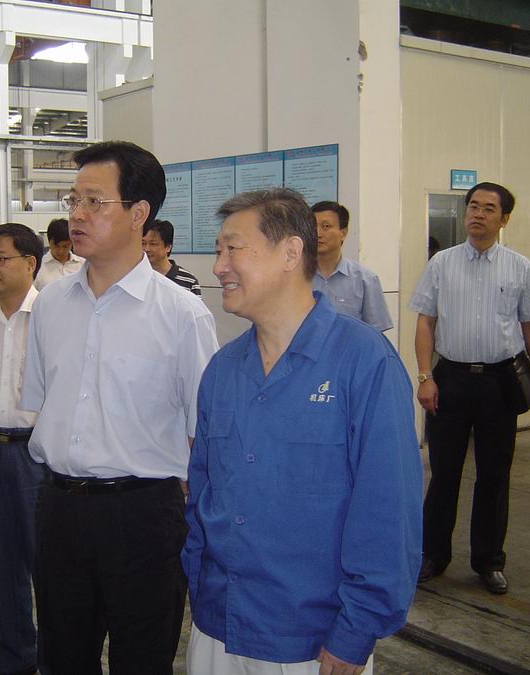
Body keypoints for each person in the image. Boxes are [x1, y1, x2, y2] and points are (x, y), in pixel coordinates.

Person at [183, 188, 421, 675]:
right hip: (217, 625)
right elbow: (203, 489)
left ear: (291, 252)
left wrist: (356, 631)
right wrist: (197, 579)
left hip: (312, 643)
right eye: (217, 251)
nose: (219, 267)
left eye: (232, 248)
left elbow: (387, 510)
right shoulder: (223, 370)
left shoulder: (364, 362)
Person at [20, 140, 219, 674]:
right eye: (73, 200)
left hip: (142, 516)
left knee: (142, 661)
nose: (77, 215)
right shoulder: (50, 305)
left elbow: (203, 433)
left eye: (94, 201)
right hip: (59, 510)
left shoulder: (183, 315)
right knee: (63, 658)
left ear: (138, 213)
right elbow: (40, 403)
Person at [410, 181, 530, 595]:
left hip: (499, 383)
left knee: (494, 475)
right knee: (444, 473)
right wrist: (425, 377)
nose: (478, 214)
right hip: (450, 380)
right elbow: (425, 323)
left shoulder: (519, 267)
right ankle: (433, 554)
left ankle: (488, 561)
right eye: (473, 206)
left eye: (489, 208)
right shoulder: (441, 263)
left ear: (504, 219)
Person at [0, 223, 48, 675]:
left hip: (37, 455)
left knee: (46, 562)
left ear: (30, 263)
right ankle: (14, 659)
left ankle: (55, 659)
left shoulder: (51, 319)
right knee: (1, 563)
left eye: (1, 259)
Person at [311, 201, 391, 332]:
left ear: (343, 233)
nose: (318, 233)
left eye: (326, 227)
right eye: (313, 226)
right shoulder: (296, 277)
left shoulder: (366, 280)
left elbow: (375, 333)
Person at [142, 219, 202, 295]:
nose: (147, 249)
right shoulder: (135, 275)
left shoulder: (189, 281)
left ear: (168, 247)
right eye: (143, 243)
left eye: (153, 244)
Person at [33, 217, 83, 290]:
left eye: (65, 246)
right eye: (56, 246)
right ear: (49, 241)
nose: (60, 251)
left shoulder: (83, 264)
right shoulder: (38, 266)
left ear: (72, 242)